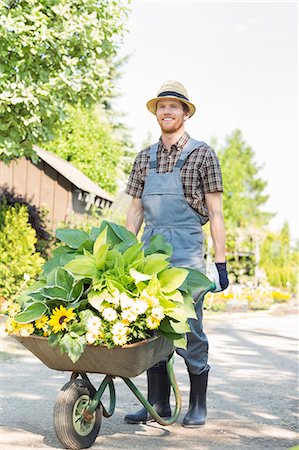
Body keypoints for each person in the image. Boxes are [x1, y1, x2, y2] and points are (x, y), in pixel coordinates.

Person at [124, 80, 229, 428]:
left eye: (174, 106)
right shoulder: (144, 158)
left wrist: (220, 263)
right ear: (156, 112)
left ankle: (197, 404)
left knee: (189, 326)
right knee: (150, 325)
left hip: (186, 254)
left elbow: (216, 213)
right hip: (151, 252)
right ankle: (159, 404)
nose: (167, 111)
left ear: (185, 112)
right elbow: (136, 212)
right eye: (162, 106)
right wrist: (125, 254)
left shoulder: (203, 154)